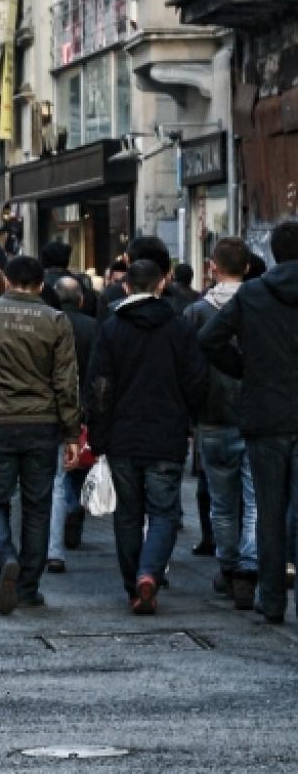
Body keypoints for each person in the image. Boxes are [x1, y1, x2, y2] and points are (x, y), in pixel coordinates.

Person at [0, 256, 80, 615]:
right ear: (41, 285)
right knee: (38, 506)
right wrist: (71, 432)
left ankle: (5, 559)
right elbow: (66, 382)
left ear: (7, 281)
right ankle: (27, 587)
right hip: (42, 423)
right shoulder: (56, 320)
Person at [85, 259, 208, 615]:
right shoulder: (178, 326)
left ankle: (133, 584)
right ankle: (150, 573)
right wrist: (187, 416)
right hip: (166, 432)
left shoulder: (112, 328)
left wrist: (99, 433)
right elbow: (196, 378)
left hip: (123, 432)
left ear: (126, 287)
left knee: (128, 513)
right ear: (162, 284)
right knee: (164, 511)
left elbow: (99, 386)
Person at [200, 220, 298, 624]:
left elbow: (209, 339)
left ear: (273, 252)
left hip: (265, 415)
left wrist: (245, 369)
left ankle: (272, 598)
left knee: (270, 512)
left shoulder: (254, 294)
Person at [183, 237, 257, 610]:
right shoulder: (259, 305)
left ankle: (228, 567)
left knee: (222, 502)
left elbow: (187, 368)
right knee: (255, 501)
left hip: (211, 418)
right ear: (247, 268)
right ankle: (249, 567)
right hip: (257, 414)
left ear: (212, 266)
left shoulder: (196, 313)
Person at [46, 275, 97, 574]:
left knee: (54, 478)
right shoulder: (92, 327)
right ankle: (74, 506)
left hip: (50, 409)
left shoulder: (48, 325)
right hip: (83, 406)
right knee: (78, 463)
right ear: (80, 299)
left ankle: (55, 543)